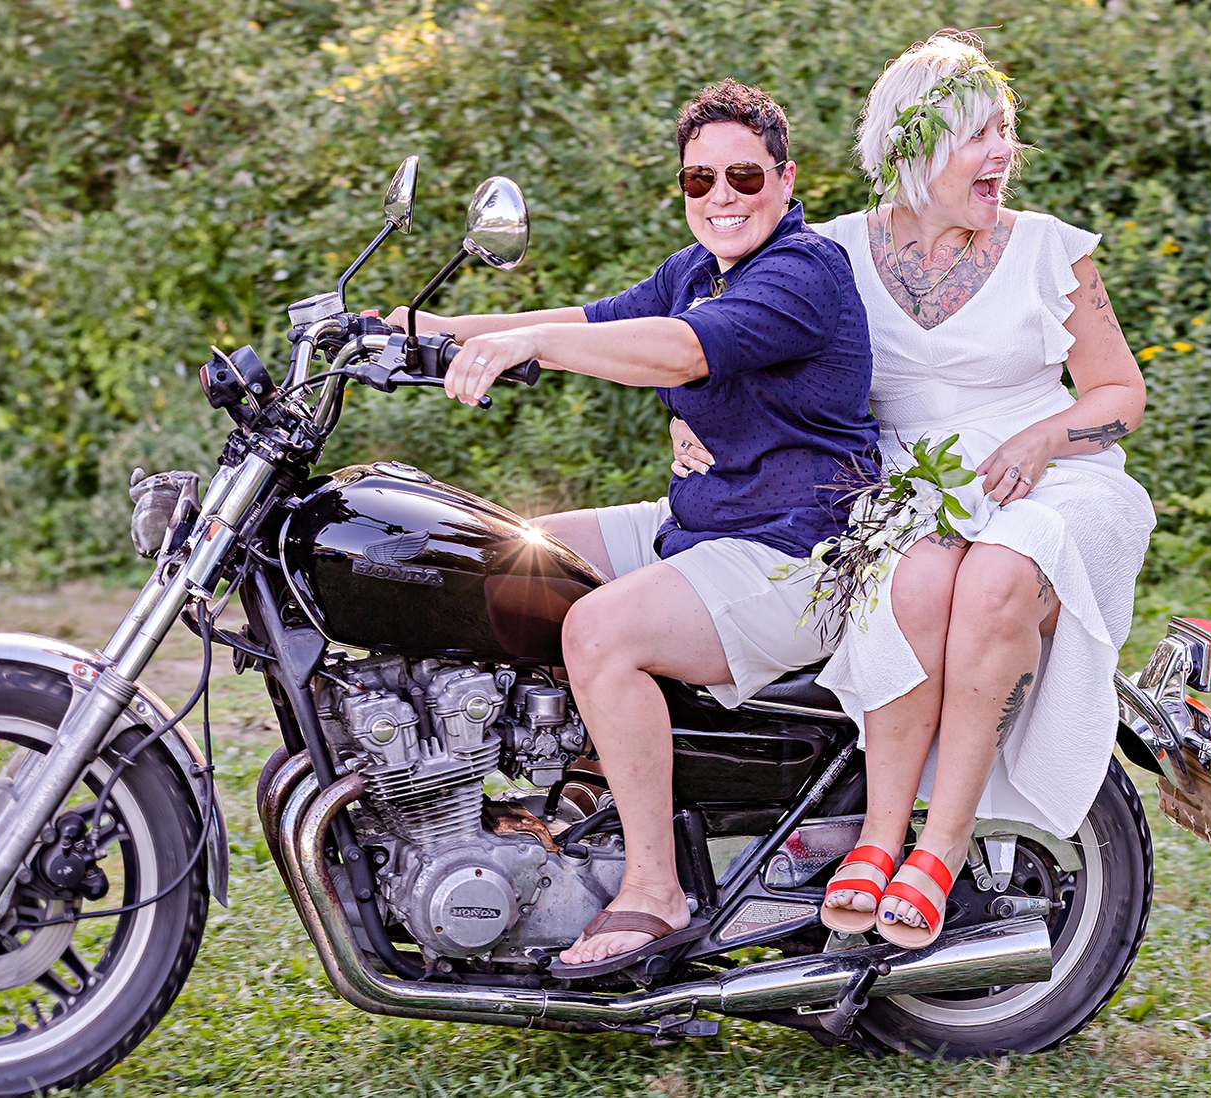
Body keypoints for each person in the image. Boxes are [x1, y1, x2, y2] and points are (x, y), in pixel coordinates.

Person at [669, 31, 1153, 949]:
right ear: (911, 146)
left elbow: (1120, 397)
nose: (1002, 154)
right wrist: (689, 411)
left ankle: (938, 845)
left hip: (1052, 481)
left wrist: (1049, 434)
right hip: (906, 489)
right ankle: (875, 838)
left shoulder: (1052, 251)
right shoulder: (834, 253)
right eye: (979, 135)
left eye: (1006, 132)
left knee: (1002, 573)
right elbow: (724, 334)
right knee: (917, 585)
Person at [398, 80, 878, 975]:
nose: (722, 196)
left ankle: (653, 889)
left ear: (785, 177)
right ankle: (581, 788)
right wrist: (418, 329)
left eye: (743, 175)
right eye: (700, 181)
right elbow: (578, 322)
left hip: (801, 551)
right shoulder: (693, 272)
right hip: (707, 521)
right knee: (508, 560)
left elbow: (682, 350)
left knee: (599, 628)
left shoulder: (806, 271)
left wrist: (529, 349)